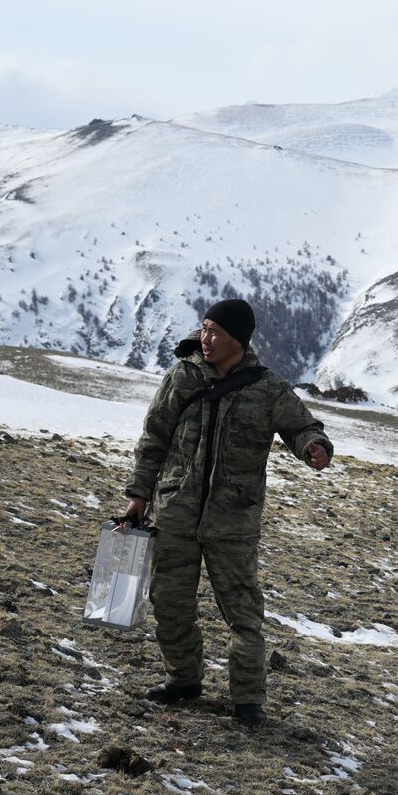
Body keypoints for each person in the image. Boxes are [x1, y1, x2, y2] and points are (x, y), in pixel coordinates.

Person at [120, 298, 333, 726]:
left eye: (215, 331)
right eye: (204, 328)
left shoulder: (268, 387)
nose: (205, 338)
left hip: (233, 521)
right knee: (171, 604)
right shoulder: (182, 377)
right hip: (175, 511)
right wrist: (139, 495)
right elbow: (154, 439)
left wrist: (314, 446)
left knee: (243, 615)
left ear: (239, 340)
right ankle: (183, 681)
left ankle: (248, 701)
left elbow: (301, 425)